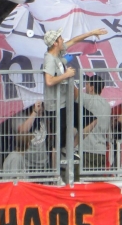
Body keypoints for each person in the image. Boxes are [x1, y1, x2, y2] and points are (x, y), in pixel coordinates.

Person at [42, 27, 107, 157]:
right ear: (55, 43)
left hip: (65, 102)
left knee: (91, 120)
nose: (63, 40)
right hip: (55, 106)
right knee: (56, 143)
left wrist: (91, 32)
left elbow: (73, 41)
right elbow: (48, 81)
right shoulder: (49, 58)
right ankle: (56, 175)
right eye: (60, 38)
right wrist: (66, 75)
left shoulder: (58, 54)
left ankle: (70, 148)